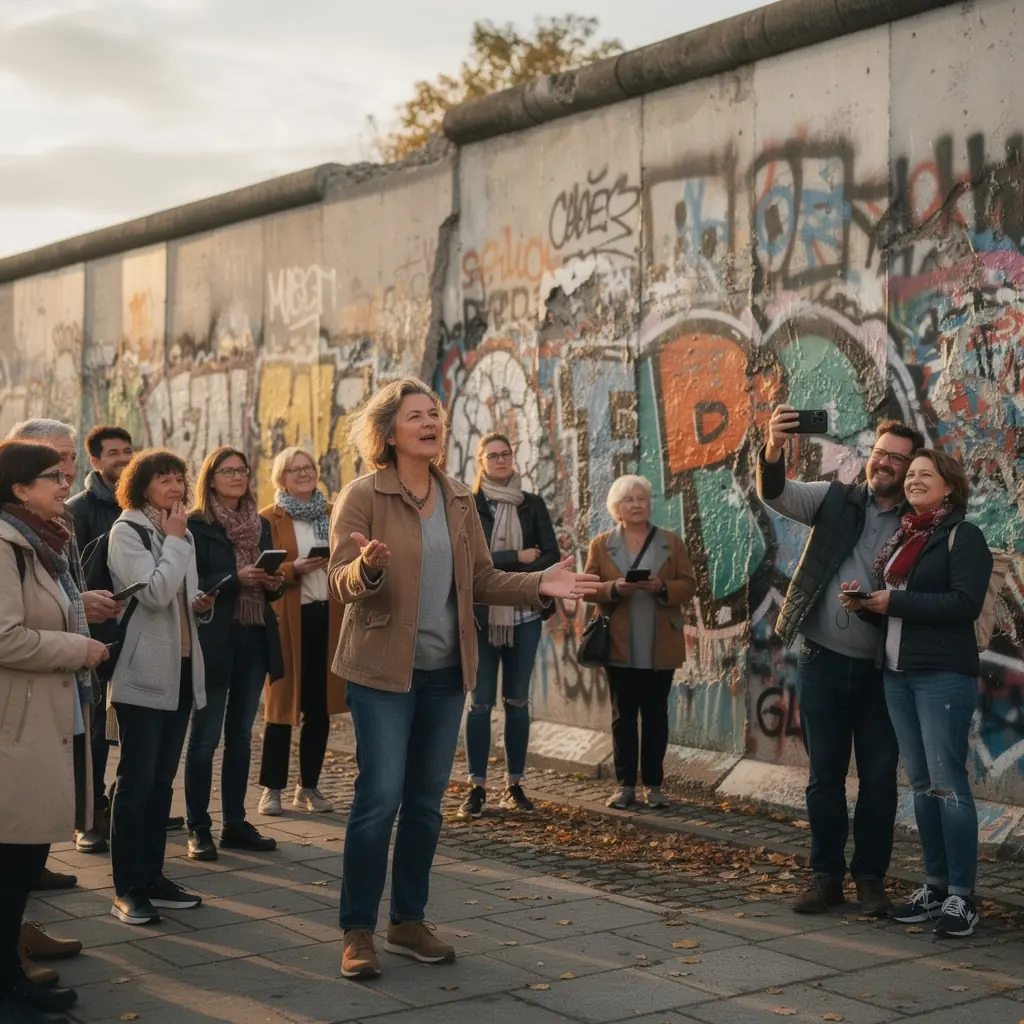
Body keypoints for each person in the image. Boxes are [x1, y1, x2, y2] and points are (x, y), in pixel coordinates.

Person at [329, 378, 600, 981]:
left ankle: (407, 921)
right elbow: (338, 581)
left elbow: (480, 579)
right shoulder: (363, 494)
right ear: (388, 431)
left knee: (426, 803)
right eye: (415, 416)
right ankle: (357, 930)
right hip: (381, 674)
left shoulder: (456, 498)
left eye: (435, 414)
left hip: (447, 673)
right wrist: (367, 569)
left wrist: (538, 583)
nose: (430, 423)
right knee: (379, 799)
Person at [756, 407, 925, 916]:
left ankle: (870, 879)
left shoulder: (920, 523)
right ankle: (825, 876)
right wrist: (773, 448)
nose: (885, 463)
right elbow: (776, 493)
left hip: (883, 671)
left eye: (897, 459)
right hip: (822, 661)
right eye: (880, 453)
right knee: (824, 775)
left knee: (878, 777)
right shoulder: (834, 498)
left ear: (911, 468)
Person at [840, 450, 991, 938]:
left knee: (948, 784)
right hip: (897, 675)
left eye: (926, 474)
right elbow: (899, 614)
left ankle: (963, 896)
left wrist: (896, 601)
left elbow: (964, 604)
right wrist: (867, 606)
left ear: (950, 486)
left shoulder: (963, 536)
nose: (913, 481)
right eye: (911, 475)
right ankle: (936, 886)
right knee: (923, 785)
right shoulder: (905, 536)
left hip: (942, 675)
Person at [0, 440, 109, 1023]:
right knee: (12, 859)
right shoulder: (6, 546)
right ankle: (8, 985)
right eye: (53, 476)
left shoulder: (43, 542)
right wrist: (76, 647)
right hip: (16, 723)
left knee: (25, 856)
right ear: (20, 489)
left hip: (42, 714)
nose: (65, 482)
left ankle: (11, 976)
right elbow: (4, 636)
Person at [106, 450, 216, 926]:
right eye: (164, 480)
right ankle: (127, 888)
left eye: (179, 479)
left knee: (160, 784)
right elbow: (152, 595)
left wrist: (202, 605)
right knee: (135, 782)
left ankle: (153, 877)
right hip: (143, 674)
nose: (175, 487)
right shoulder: (127, 531)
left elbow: (178, 599)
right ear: (141, 486)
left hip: (182, 672)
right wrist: (173, 542)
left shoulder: (180, 532)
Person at [184, 447, 284, 861]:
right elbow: (192, 582)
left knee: (241, 736)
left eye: (242, 470)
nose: (237, 476)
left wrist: (272, 581)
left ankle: (234, 823)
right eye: (228, 471)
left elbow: (273, 587)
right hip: (215, 640)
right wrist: (234, 578)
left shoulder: (260, 524)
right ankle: (198, 827)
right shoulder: (195, 525)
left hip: (255, 636)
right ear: (210, 478)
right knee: (205, 738)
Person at [460, 433, 561, 819]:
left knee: (518, 702)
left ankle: (514, 785)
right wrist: (516, 556)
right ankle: (477, 787)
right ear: (481, 462)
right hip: (483, 618)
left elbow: (551, 556)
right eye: (493, 455)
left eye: (506, 454)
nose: (501, 460)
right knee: (480, 703)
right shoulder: (470, 506)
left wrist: (514, 571)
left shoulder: (531, 504)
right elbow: (472, 562)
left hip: (524, 616)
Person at [582, 475, 697, 811]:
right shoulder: (601, 545)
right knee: (623, 717)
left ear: (649, 504)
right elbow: (588, 588)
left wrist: (663, 587)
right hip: (619, 644)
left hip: (660, 645)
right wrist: (614, 588)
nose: (636, 504)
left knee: (656, 716)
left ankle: (654, 787)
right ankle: (625, 786)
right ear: (616, 508)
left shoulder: (671, 542)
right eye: (629, 500)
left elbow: (689, 584)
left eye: (641, 498)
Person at [257, 447, 346, 816]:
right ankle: (272, 789)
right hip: (289, 621)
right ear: (282, 478)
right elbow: (261, 571)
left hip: (329, 620)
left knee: (320, 707)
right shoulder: (268, 519)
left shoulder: (333, 513)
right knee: (280, 708)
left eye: (308, 467)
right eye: (295, 469)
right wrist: (294, 568)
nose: (304, 473)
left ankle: (308, 787)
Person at [65, 424, 135, 854]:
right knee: (93, 735)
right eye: (113, 453)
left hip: (136, 636)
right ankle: (86, 819)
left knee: (133, 729)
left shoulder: (141, 505)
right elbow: (72, 578)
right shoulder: (78, 510)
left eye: (128, 450)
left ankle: (125, 808)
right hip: (95, 639)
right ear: (94, 460)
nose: (123, 459)